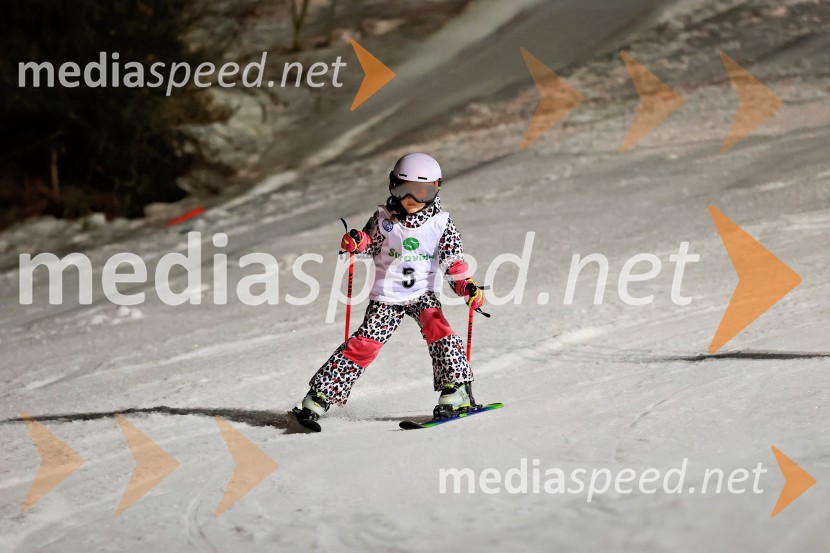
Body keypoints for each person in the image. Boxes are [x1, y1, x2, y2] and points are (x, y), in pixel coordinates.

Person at [293, 153, 485, 423]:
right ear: (392, 185)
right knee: (365, 344)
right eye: (403, 189)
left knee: (439, 331)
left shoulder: (441, 223)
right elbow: (368, 244)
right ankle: (321, 395)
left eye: (421, 192)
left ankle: (457, 389)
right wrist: (358, 242)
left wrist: (467, 287)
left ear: (435, 188)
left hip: (422, 294)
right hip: (387, 297)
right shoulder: (384, 219)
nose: (412, 199)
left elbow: (452, 260)